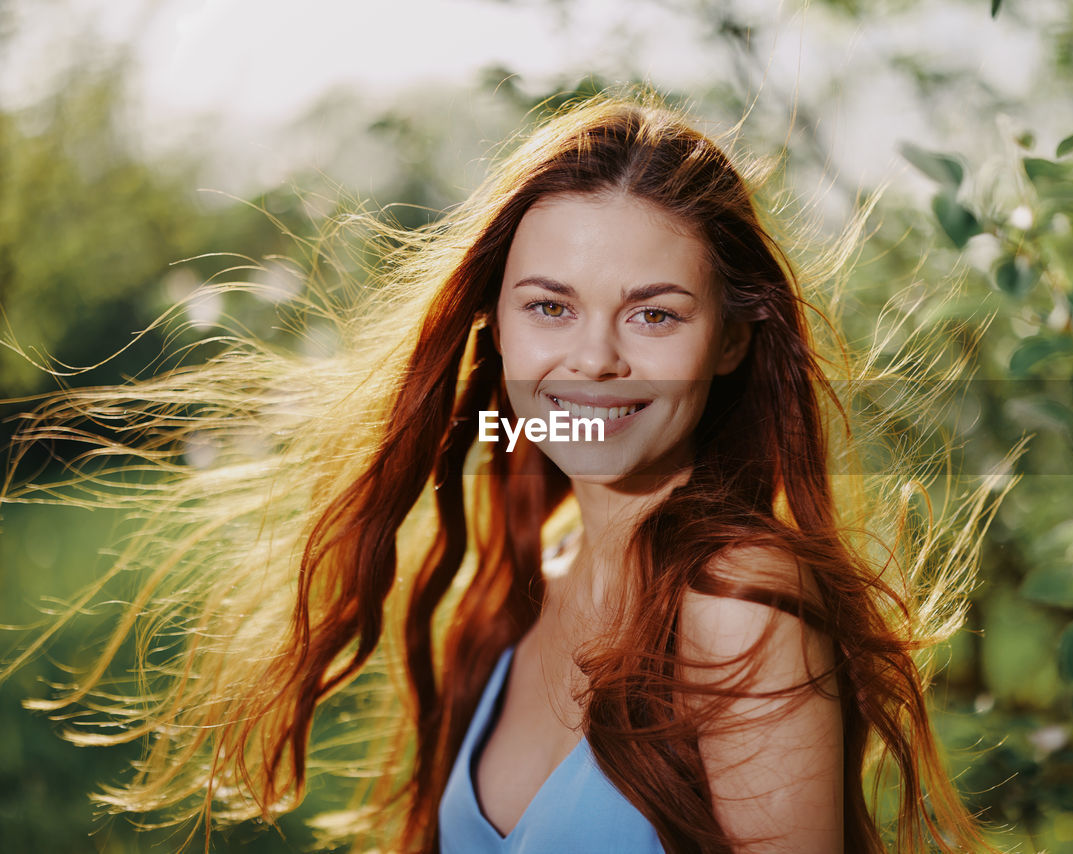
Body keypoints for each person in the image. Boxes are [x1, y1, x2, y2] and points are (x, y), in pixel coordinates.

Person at [4, 93, 1006, 853]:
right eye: (550, 307)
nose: (594, 362)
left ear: (733, 340)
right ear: (492, 322)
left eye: (653, 313)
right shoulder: (536, 577)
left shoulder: (736, 604)